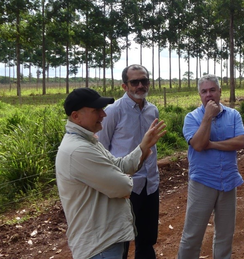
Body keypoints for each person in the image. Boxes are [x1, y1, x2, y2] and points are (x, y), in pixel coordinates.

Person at [56, 87, 166, 259]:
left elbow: (119, 165)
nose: (103, 115)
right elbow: (122, 186)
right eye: (96, 111)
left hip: (106, 238)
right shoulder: (79, 150)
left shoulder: (89, 141)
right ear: (76, 116)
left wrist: (144, 146)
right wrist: (125, 179)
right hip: (99, 246)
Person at [177, 74, 244, 259]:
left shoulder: (233, 115)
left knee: (225, 236)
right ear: (199, 94)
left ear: (220, 92)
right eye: (204, 91)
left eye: (212, 90)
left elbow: (240, 142)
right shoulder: (191, 118)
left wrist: (213, 144)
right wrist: (207, 117)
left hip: (229, 182)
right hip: (203, 182)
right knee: (192, 236)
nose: (209, 95)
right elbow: (198, 145)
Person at [97, 65, 160, 259]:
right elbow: (101, 150)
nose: (140, 85)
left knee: (147, 240)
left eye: (144, 81)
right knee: (120, 244)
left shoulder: (152, 110)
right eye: (135, 82)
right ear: (125, 86)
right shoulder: (113, 111)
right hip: (126, 188)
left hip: (150, 185)